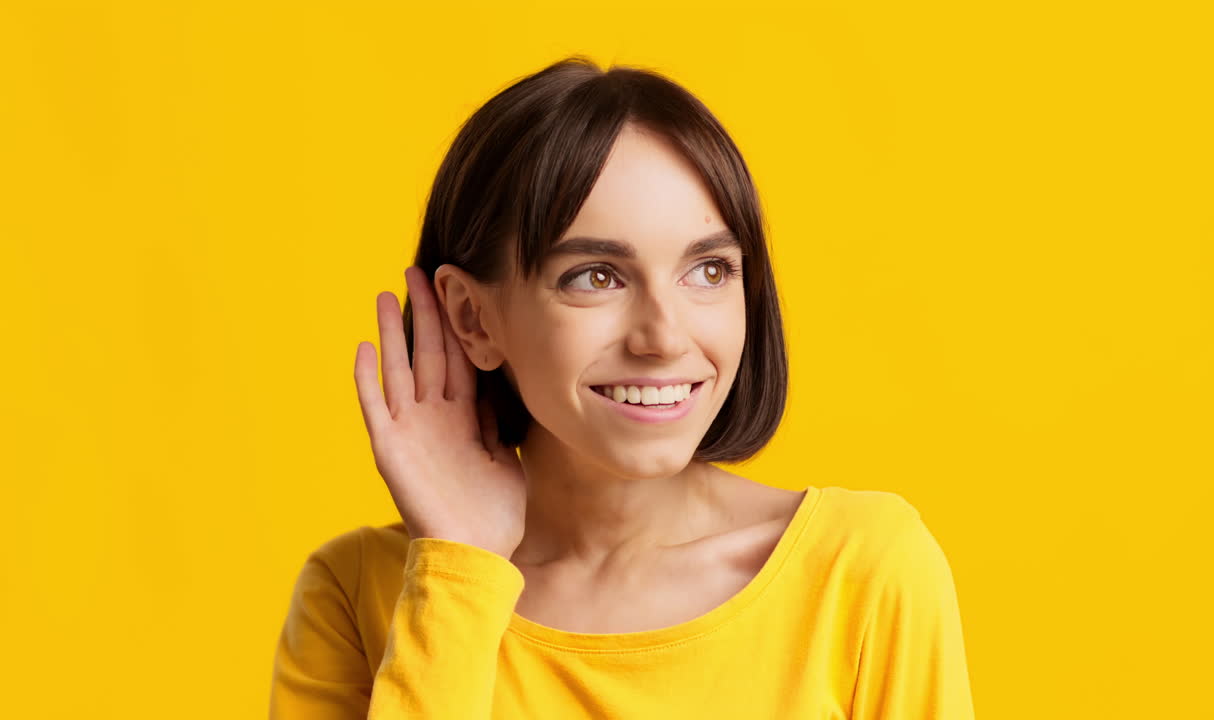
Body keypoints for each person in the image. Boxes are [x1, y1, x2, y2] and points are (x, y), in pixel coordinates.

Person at [270, 55, 976, 719]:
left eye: (708, 270)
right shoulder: (359, 593)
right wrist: (458, 571)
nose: (664, 336)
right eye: (596, 277)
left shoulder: (865, 572)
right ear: (472, 317)